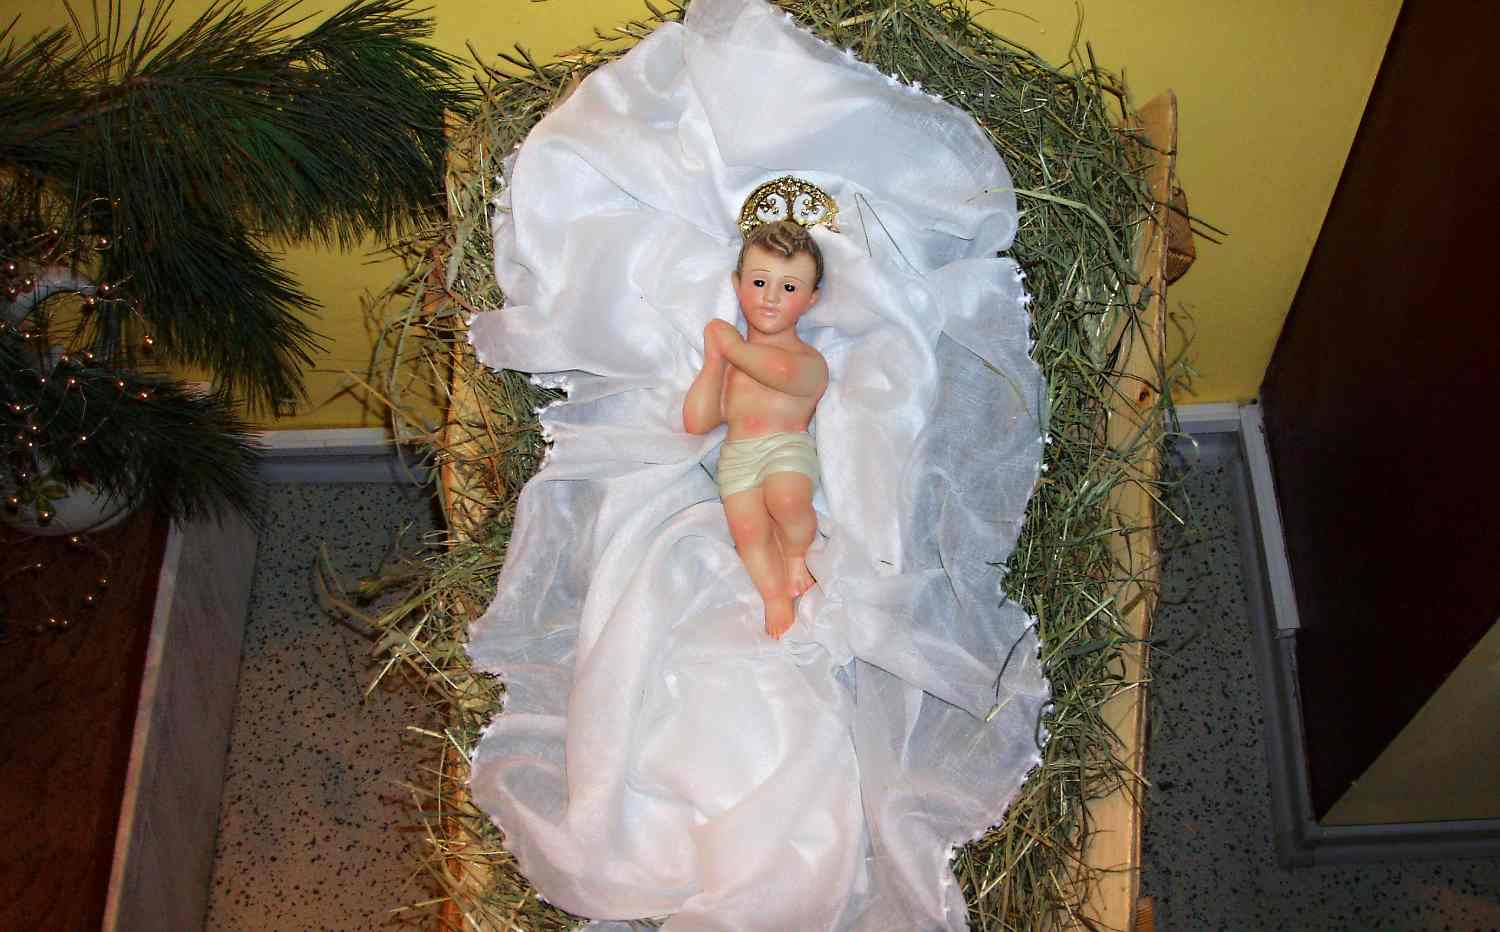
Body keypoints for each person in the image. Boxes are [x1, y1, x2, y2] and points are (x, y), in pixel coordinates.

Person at [683, 219, 829, 639]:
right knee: (747, 530)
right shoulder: (732, 365)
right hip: (737, 455)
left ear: (811, 300)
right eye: (760, 282)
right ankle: (773, 596)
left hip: (785, 446)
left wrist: (731, 347)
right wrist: (714, 361)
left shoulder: (807, 359)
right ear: (737, 284)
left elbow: (779, 373)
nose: (770, 297)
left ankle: (798, 554)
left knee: (786, 497)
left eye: (789, 287)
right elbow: (698, 421)